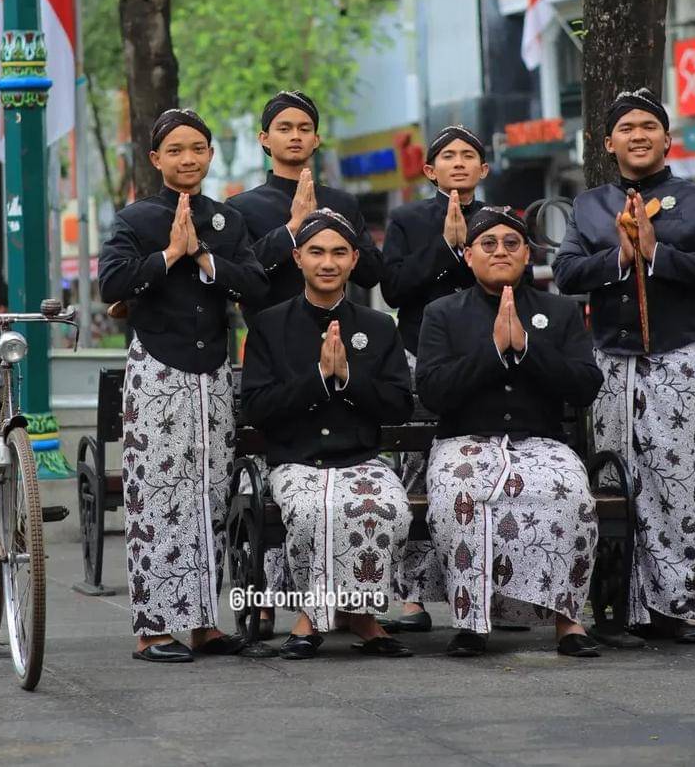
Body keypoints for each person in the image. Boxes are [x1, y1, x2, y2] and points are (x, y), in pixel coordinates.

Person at [553, 88, 695, 645]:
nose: (638, 135)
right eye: (626, 127)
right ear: (608, 142)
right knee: (617, 482)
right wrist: (619, 258)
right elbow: (566, 274)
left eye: (648, 125)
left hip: (679, 358)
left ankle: (684, 607)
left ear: (666, 138)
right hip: (612, 361)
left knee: (680, 482)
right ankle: (623, 608)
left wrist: (658, 254)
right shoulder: (590, 206)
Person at [98, 108, 268, 663]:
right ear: (156, 159)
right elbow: (113, 283)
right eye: (175, 150)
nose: (188, 158)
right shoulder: (134, 219)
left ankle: (202, 623)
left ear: (210, 154)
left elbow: (255, 285)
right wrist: (169, 254)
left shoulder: (227, 221)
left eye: (197, 148)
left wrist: (202, 255)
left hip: (213, 375)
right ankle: (153, 628)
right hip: (157, 372)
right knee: (156, 498)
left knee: (210, 496)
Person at [416, 207, 604, 659]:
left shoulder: (559, 312)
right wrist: (492, 351)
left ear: (527, 254)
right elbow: (433, 391)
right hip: (464, 441)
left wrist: (526, 348)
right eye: (488, 244)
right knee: (461, 491)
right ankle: (469, 622)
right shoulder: (442, 313)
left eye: (511, 243)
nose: (500, 251)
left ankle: (567, 618)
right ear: (468, 254)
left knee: (569, 491)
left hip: (539, 442)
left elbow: (585, 386)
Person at [242, 208, 415, 660]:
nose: (328, 262)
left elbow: (398, 404)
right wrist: (318, 379)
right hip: (297, 461)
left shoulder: (378, 326)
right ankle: (336, 618)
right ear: (297, 257)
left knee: (387, 508)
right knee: (315, 509)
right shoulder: (268, 325)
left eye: (339, 252)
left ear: (355, 260)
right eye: (316, 252)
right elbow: (257, 408)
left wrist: (347, 380)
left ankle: (351, 615)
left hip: (360, 459)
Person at [379, 124, 489, 633]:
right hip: (421, 356)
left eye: (470, 156)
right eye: (449, 156)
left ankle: (495, 593)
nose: (460, 163)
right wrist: (447, 249)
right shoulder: (406, 219)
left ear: (483, 170)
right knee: (416, 471)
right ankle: (412, 596)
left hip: (487, 359)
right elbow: (396, 289)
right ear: (430, 170)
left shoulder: (497, 221)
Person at [227, 90, 383, 325]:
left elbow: (371, 273)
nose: (295, 136)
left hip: (336, 332)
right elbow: (238, 279)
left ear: (316, 140)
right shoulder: (242, 207)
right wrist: (292, 228)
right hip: (271, 339)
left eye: (304, 129)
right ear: (264, 138)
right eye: (284, 128)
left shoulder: (342, 202)